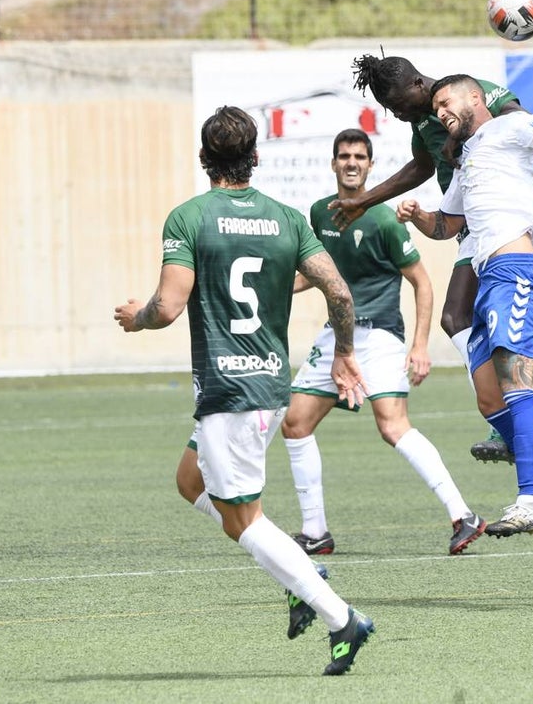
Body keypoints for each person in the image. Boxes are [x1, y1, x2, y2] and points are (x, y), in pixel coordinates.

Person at [114, 106, 373, 676]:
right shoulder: (286, 219)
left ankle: (338, 618)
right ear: (255, 158)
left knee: (244, 523)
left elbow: (168, 306)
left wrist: (136, 318)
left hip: (230, 394)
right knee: (190, 480)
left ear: (205, 159)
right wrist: (345, 354)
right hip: (268, 381)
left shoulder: (188, 218)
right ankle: (295, 573)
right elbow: (339, 292)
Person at [338, 53, 533, 484]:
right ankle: (522, 420)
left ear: (419, 85)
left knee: (460, 319)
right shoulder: (421, 121)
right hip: (464, 223)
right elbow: (422, 167)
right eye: (393, 110)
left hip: (492, 220)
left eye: (402, 104)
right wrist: (367, 199)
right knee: (459, 320)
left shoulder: (463, 94)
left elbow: (523, 120)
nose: (401, 114)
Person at [396, 75, 533, 552]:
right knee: (491, 402)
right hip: (487, 277)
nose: (440, 112)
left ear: (476, 97)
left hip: (517, 271)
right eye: (435, 107)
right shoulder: (466, 157)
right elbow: (448, 223)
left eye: (445, 101)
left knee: (517, 381)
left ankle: (529, 501)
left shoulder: (508, 129)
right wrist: (417, 216)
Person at [282, 128, 486, 557]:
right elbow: (318, 274)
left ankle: (462, 514)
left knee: (393, 426)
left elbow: (422, 283)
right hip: (337, 334)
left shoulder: (385, 220)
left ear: (371, 165)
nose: (351, 162)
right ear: (334, 163)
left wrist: (419, 346)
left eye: (359, 156)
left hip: (379, 335)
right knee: (296, 423)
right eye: (344, 156)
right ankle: (315, 531)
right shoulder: (321, 212)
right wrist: (277, 288)